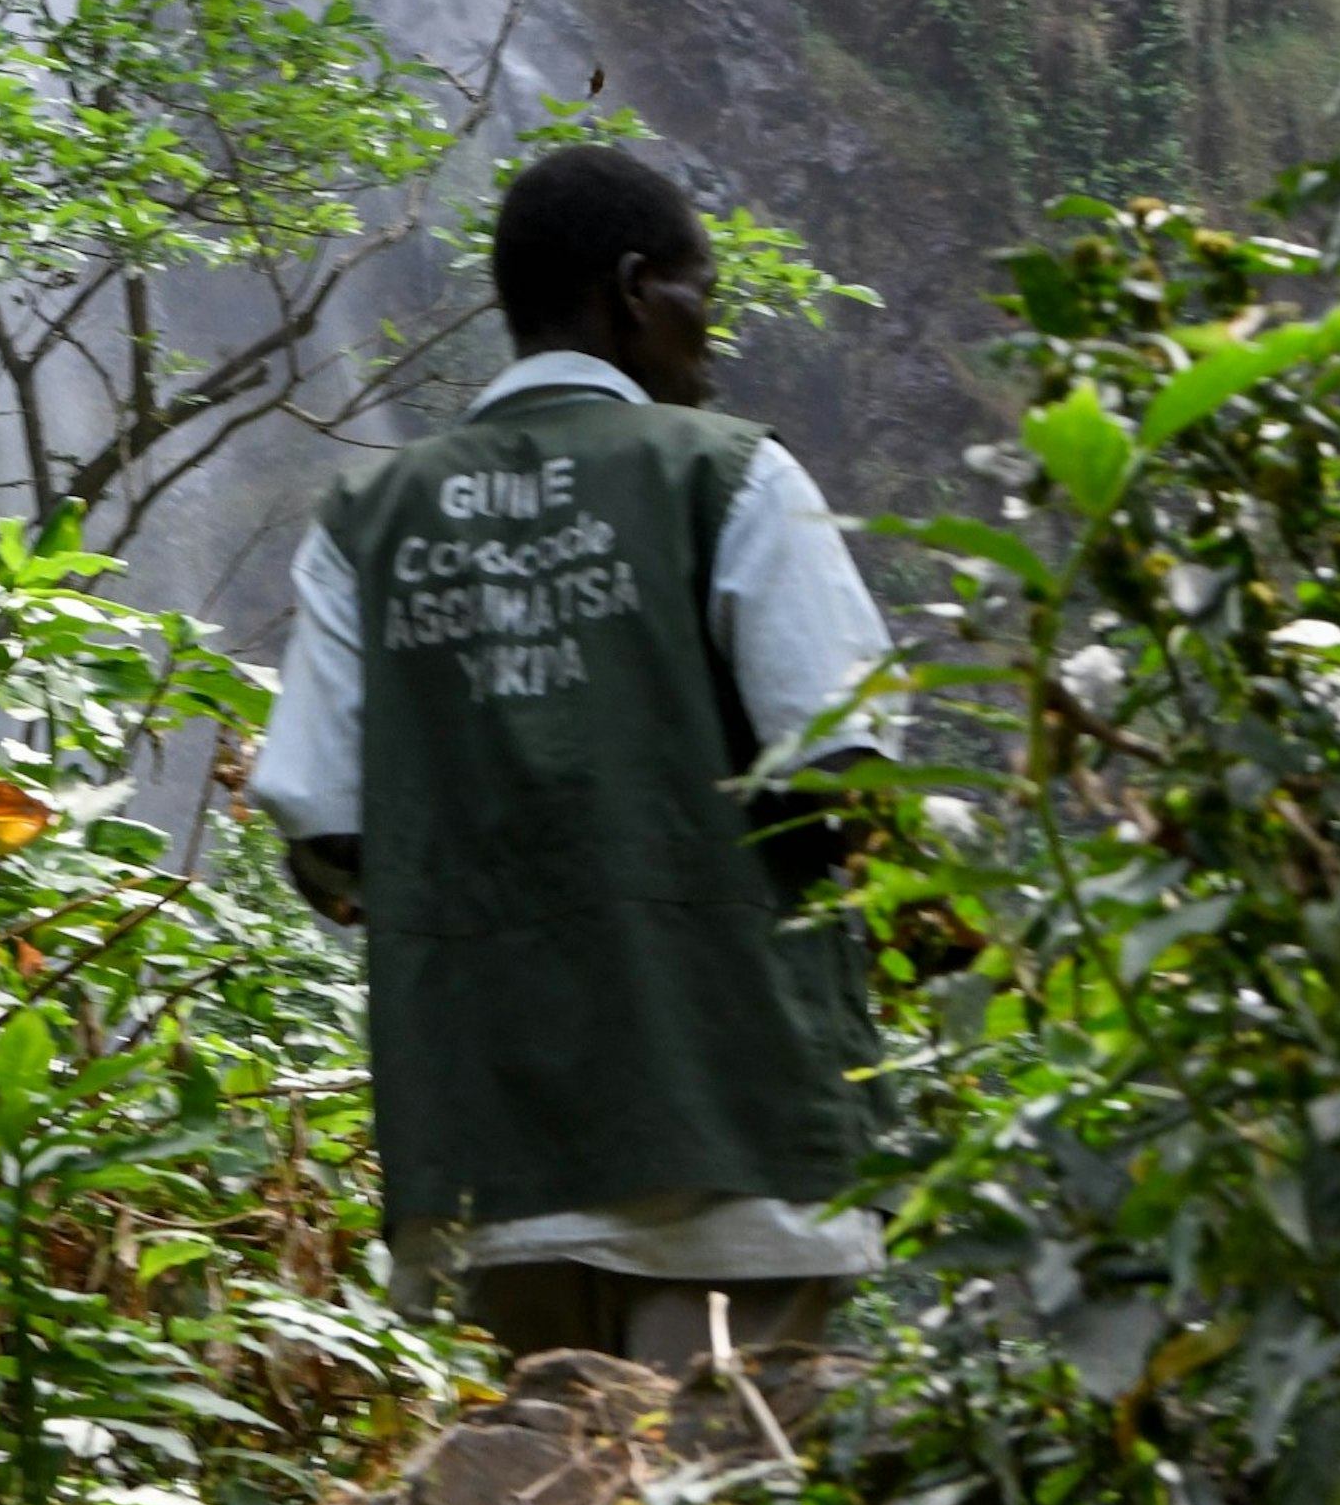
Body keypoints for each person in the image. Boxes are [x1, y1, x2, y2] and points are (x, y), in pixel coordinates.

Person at [249, 142, 899, 1367]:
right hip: (738, 1134)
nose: (712, 339)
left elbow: (328, 829)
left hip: (502, 1164)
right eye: (703, 297)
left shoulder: (366, 526)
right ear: (635, 286)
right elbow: (842, 774)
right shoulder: (734, 477)